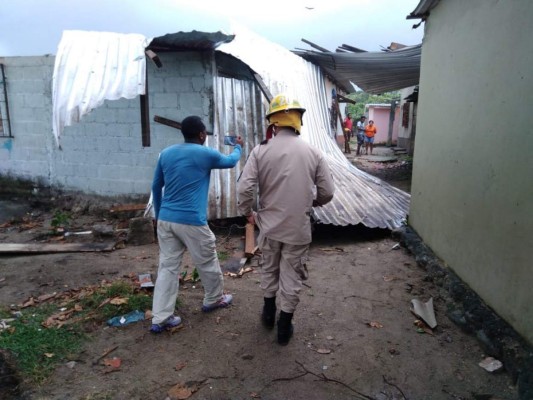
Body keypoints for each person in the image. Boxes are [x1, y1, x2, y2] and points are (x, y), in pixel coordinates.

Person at [237, 94, 335, 345]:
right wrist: (310, 202)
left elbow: (244, 189)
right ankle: (284, 326)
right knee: (292, 275)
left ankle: (268, 313)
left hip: (269, 227)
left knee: (269, 268)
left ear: (274, 122)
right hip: (298, 230)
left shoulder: (261, 150)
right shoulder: (314, 152)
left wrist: (248, 212)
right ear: (297, 121)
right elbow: (327, 193)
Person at [150, 115, 244, 333]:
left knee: (167, 267)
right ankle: (213, 299)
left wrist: (158, 213)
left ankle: (160, 318)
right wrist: (238, 147)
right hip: (191, 221)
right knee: (207, 261)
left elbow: (156, 186)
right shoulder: (205, 153)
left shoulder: (166, 153)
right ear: (202, 135)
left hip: (165, 220)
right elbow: (230, 162)